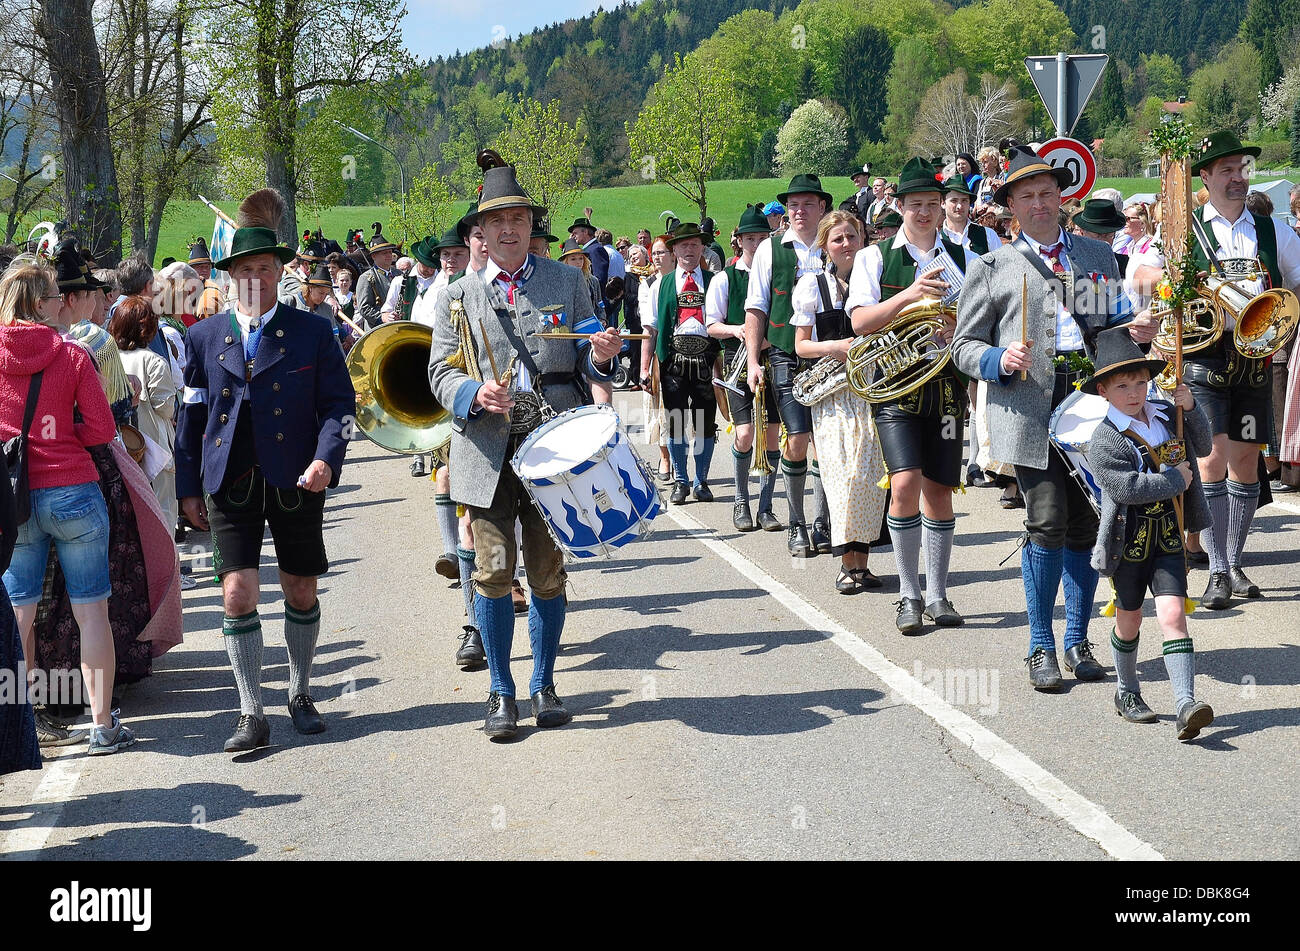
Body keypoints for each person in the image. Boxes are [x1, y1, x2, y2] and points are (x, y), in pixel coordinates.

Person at [427, 162, 622, 740]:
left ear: (529, 223)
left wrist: (605, 354)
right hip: (483, 450)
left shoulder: (568, 280)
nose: (509, 228)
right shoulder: (455, 296)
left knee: (546, 570)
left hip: (553, 448)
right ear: (480, 232)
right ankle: (499, 691)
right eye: (497, 219)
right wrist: (471, 391)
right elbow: (437, 372)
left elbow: (590, 353)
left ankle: (545, 684)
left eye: (518, 217)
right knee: (490, 570)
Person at [951, 145, 1156, 690]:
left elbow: (1110, 324)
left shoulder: (1095, 257)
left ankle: (1077, 640)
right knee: (1046, 522)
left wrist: (1134, 333)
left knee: (1089, 523)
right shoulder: (992, 266)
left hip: (1091, 404)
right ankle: (1041, 643)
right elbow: (962, 347)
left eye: (1047, 193)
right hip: (1028, 406)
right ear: (1011, 207)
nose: (1039, 204)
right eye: (1027, 197)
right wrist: (998, 359)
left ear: (1062, 197)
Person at [175, 188, 354, 752]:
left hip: (299, 477)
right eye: (243, 269)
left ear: (280, 272)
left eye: (264, 267)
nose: (254, 277)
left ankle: (300, 692)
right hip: (227, 480)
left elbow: (339, 408)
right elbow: (189, 418)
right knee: (236, 594)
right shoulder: (202, 338)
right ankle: (251, 711)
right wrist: (186, 488)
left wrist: (328, 457)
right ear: (229, 277)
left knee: (300, 589)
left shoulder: (312, 332)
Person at [0, 260, 130, 754]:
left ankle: (21, 724)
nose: (61, 303)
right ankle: (102, 726)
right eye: (54, 296)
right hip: (73, 488)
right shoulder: (73, 356)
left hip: (12, 497)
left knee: (17, 613)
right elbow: (101, 429)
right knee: (91, 611)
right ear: (38, 304)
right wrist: (63, 436)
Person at [848, 159, 974, 631]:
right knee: (904, 483)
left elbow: (980, 321)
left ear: (943, 209)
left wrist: (956, 325)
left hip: (943, 386)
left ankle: (939, 594)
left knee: (940, 489)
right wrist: (909, 295)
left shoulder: (964, 257)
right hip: (895, 384)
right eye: (915, 204)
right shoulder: (874, 258)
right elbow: (860, 321)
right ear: (898, 206)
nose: (924, 213)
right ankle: (908, 593)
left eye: (932, 205)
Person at [1185, 131, 1300, 608]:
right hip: (1205, 357)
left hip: (1256, 358)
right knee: (1210, 460)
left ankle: (1233, 562)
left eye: (1241, 169)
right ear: (1206, 176)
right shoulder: (1184, 229)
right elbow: (1141, 278)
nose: (1236, 177)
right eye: (1226, 169)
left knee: (1248, 464)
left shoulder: (1274, 231)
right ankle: (1214, 569)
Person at [1082, 329, 1215, 740]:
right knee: (1130, 620)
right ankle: (1126, 690)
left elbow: (1205, 446)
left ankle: (1185, 704)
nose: (1134, 393)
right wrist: (1174, 481)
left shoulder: (1165, 415)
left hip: (1170, 538)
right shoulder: (1103, 438)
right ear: (1103, 390)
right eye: (1122, 386)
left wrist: (1191, 409)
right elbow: (1125, 489)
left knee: (1174, 615)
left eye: (1140, 382)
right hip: (1128, 542)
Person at [793, 211, 887, 593]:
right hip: (832, 393)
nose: (846, 244)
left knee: (870, 474)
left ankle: (860, 564)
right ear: (825, 246)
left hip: (872, 388)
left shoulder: (875, 280)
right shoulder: (812, 285)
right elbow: (801, 344)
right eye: (838, 239)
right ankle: (846, 562)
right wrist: (835, 347)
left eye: (852, 236)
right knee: (841, 474)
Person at [746, 174, 833, 556]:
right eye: (794, 204)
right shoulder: (770, 249)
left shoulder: (837, 243)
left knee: (827, 442)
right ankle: (796, 522)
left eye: (808, 204)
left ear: (822, 208)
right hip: (785, 352)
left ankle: (824, 520)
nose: (799, 211)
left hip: (832, 354)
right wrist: (752, 360)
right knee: (797, 438)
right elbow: (756, 308)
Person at [706, 205, 781, 531]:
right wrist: (739, 331)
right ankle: (741, 501)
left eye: (762, 237)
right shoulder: (725, 277)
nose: (756, 243)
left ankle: (765, 507)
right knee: (746, 434)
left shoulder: (779, 274)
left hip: (774, 360)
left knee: (773, 437)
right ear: (738, 241)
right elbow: (711, 325)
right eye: (750, 238)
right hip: (738, 363)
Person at [647, 222, 721, 503]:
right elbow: (652, 329)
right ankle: (681, 480)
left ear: (703, 247)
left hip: (706, 360)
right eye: (683, 245)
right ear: (674, 249)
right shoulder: (660, 285)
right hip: (673, 361)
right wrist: (645, 369)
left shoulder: (716, 280)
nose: (689, 250)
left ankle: (701, 480)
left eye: (694, 245)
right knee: (676, 423)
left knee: (704, 424)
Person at [110, 297, 179, 534]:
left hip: (117, 447)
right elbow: (166, 407)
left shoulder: (107, 359)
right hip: (153, 449)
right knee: (163, 512)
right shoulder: (154, 362)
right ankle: (165, 570)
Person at [639, 235, 677, 484]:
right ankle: (665, 458)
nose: (656, 257)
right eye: (654, 253)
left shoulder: (688, 281)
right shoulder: (652, 285)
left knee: (684, 412)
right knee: (659, 409)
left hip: (688, 355)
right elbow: (648, 331)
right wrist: (643, 368)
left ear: (674, 254)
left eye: (661, 252)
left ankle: (684, 464)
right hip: (661, 356)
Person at [355, 226, 398, 330]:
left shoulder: (399, 274)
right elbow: (364, 308)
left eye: (389, 252)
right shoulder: (366, 278)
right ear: (374, 256)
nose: (388, 255)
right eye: (384, 253)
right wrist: (382, 317)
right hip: (377, 329)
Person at [189, 238, 224, 320]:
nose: (205, 270)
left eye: (208, 267)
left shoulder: (212, 290)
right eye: (200, 267)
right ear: (191, 270)